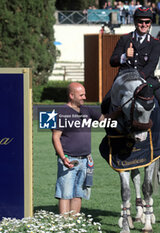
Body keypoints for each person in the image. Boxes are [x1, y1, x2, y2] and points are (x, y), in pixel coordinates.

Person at [108, 6, 160, 125]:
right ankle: (110, 131)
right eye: (140, 21)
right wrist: (124, 56)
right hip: (124, 80)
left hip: (146, 80)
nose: (143, 24)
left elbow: (151, 65)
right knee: (106, 101)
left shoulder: (155, 43)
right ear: (135, 22)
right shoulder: (124, 39)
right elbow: (112, 61)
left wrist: (138, 80)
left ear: (150, 23)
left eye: (147, 22)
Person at [52, 83, 104, 216]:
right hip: (69, 159)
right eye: (81, 95)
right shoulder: (61, 112)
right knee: (65, 193)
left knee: (78, 193)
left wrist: (121, 110)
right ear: (71, 95)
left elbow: (106, 120)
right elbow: (56, 137)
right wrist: (63, 158)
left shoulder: (87, 110)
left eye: (84, 94)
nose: (84, 97)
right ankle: (64, 225)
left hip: (85, 160)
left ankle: (74, 223)